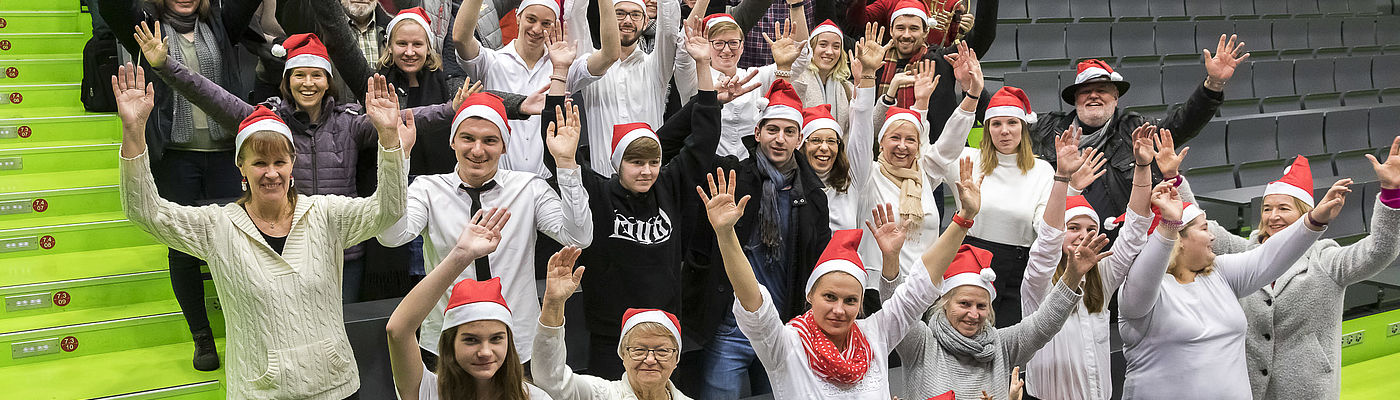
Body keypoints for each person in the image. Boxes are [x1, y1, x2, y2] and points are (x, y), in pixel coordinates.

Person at [115, 63, 410, 398]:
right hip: (261, 391)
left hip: (335, 385)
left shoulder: (325, 214)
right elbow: (145, 212)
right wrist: (134, 131)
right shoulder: (218, 227)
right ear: (241, 166)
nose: (271, 173)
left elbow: (389, 210)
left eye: (279, 162)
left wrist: (389, 138)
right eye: (259, 163)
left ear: (292, 164)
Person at [133, 25, 468, 301]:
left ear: (328, 81)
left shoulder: (349, 121)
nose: (308, 83)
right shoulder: (267, 121)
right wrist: (166, 66)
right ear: (287, 79)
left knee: (342, 330)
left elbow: (403, 118)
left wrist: (451, 110)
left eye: (316, 75)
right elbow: (210, 95)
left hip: (343, 253)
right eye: (300, 75)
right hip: (286, 249)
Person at [535, 25, 728, 379]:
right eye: (636, 163)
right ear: (617, 164)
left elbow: (703, 140)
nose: (646, 171)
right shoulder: (599, 191)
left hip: (665, 329)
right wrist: (559, 73)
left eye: (653, 162)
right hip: (612, 336)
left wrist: (703, 66)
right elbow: (557, 147)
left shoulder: (670, 185)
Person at [703, 155, 963, 399]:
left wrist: (963, 219)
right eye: (829, 297)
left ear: (861, 303)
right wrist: (726, 234)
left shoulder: (875, 333)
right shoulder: (787, 344)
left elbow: (920, 285)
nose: (839, 309)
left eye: (850, 300)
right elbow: (753, 300)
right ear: (810, 295)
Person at [1169, 137, 1400, 399]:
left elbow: (1378, 252)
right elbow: (1200, 227)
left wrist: (1391, 195)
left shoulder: (1325, 259)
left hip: (1306, 390)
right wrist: (1175, 179)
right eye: (1267, 208)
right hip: (1247, 387)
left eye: (1283, 208)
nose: (1273, 216)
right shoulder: (1245, 251)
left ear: (1305, 212)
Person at [375, 90, 593, 367]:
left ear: (504, 146)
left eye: (490, 140)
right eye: (467, 138)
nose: (477, 150)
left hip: (516, 342)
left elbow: (578, 236)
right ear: (452, 141)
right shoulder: (428, 189)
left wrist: (566, 164)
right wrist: (398, 160)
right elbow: (391, 236)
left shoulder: (528, 188)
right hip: (446, 343)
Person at [97, 0, 257, 371]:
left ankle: (241, 324)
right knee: (182, 248)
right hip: (175, 156)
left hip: (226, 155)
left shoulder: (220, 22)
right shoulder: (144, 25)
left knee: (237, 239)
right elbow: (111, 6)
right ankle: (201, 335)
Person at [1117, 177, 1347, 399]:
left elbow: (1270, 256)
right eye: (1204, 229)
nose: (1212, 237)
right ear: (1179, 241)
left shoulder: (1222, 273)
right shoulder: (1139, 294)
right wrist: (1168, 225)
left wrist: (1314, 219)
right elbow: (1147, 273)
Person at [686, 79, 831, 399]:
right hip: (730, 327)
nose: (779, 139)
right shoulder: (732, 178)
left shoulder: (814, 196)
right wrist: (710, 100)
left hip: (784, 330)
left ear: (799, 140)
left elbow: (821, 264)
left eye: (789, 132)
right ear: (757, 133)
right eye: (772, 130)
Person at [889, 185, 1100, 400]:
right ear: (944, 304)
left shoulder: (1001, 345)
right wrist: (890, 260)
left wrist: (1072, 277)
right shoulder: (922, 343)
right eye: (964, 304)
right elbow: (897, 311)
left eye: (981, 306)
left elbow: (1044, 324)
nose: (974, 314)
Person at [1028, 35, 1247, 220]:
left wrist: (1214, 85)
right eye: (1085, 91)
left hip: (1125, 239)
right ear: (1075, 100)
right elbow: (1003, 120)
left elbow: (1183, 123)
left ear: (1115, 98)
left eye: (1102, 90)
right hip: (1065, 238)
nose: (1093, 95)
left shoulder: (1136, 129)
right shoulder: (1047, 128)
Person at [1018, 125, 1156, 400]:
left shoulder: (1101, 277)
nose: (1083, 235)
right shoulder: (1038, 281)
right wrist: (1061, 177)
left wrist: (1142, 167)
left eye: (1090, 229)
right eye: (1074, 228)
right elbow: (1047, 241)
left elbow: (1134, 232)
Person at [386, 208, 554, 400]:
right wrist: (461, 255)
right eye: (471, 340)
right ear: (450, 344)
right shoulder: (429, 391)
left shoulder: (534, 397)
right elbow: (397, 330)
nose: (485, 352)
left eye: (496, 339)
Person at [452, 0, 618, 177]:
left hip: (546, 187)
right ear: (518, 17)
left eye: (545, 23)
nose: (537, 29)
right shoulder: (491, 61)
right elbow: (460, 39)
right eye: (531, 19)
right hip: (497, 182)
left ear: (555, 26)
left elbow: (609, 55)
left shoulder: (563, 65)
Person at [860, 42, 980, 278]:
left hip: (923, 288)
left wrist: (972, 94)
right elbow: (860, 135)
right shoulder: (866, 174)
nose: (903, 146)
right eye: (895, 138)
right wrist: (868, 77)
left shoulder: (925, 175)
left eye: (910, 140)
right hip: (876, 286)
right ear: (881, 142)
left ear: (919, 146)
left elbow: (949, 144)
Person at [944, 86, 1054, 327]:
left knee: (1008, 345)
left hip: (1018, 268)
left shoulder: (1042, 170)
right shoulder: (968, 159)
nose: (1004, 131)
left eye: (1012, 123)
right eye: (996, 124)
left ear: (1024, 128)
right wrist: (970, 96)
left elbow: (1046, 226)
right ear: (987, 129)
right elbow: (936, 152)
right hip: (970, 261)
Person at [533, 246, 694, 399]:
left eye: (662, 352)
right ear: (623, 355)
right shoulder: (601, 394)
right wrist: (553, 304)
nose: (650, 360)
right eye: (639, 350)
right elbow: (552, 380)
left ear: (676, 358)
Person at [673, 12, 809, 160]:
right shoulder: (695, 77)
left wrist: (796, 6)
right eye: (718, 43)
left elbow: (799, 58)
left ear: (742, 46)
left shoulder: (755, 77)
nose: (726, 50)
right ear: (706, 45)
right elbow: (683, 53)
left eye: (733, 43)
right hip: (703, 170)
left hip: (749, 173)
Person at [570, 0, 684, 175]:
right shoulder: (592, 64)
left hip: (649, 183)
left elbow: (668, 31)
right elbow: (575, 17)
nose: (628, 21)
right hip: (602, 184)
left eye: (635, 14)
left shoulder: (655, 67)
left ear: (645, 21)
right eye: (620, 13)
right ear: (607, 17)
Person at [871, 0, 995, 133]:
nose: (906, 35)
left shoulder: (942, 60)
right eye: (900, 28)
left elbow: (984, 34)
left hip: (937, 150)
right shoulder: (875, 64)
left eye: (914, 28)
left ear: (926, 32)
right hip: (885, 150)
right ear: (891, 30)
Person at [790, 20, 853, 128]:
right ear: (812, 47)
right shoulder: (797, 79)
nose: (829, 51)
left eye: (836, 46)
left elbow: (868, 127)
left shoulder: (847, 87)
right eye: (823, 45)